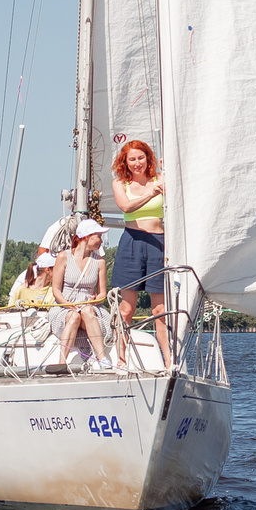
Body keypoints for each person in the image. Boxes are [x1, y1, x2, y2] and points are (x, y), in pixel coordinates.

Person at [106, 140, 172, 372]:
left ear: (148, 158)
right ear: (125, 162)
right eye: (132, 159)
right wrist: (151, 193)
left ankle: (168, 362)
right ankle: (121, 359)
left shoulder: (161, 180)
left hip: (158, 243)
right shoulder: (120, 183)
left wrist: (167, 169)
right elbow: (126, 207)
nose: (137, 163)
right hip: (132, 242)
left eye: (141, 158)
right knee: (127, 309)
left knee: (159, 310)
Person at [52, 220, 122, 370]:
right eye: (98, 236)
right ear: (86, 237)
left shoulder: (99, 261)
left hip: (90, 306)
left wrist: (94, 301)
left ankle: (102, 357)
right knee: (73, 316)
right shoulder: (63, 257)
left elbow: (102, 292)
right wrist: (68, 304)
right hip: (64, 306)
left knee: (87, 312)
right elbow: (56, 290)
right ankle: (61, 362)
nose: (101, 241)